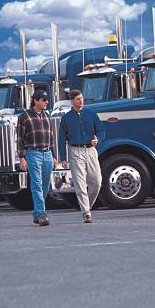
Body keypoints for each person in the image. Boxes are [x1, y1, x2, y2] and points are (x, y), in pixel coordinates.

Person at [58, 89, 104, 223]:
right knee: (80, 184)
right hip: (75, 151)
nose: (81, 101)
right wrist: (63, 158)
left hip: (91, 150)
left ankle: (87, 206)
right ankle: (86, 213)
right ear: (72, 101)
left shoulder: (91, 114)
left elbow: (101, 130)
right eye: (78, 99)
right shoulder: (66, 118)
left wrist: (98, 139)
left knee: (97, 182)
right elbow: (61, 140)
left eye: (82, 98)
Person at [17, 90, 57, 226]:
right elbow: (20, 139)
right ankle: (41, 215)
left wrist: (54, 155)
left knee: (46, 185)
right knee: (37, 184)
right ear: (36, 101)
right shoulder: (24, 117)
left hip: (47, 154)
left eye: (47, 100)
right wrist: (22, 157)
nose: (47, 102)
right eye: (44, 100)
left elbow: (51, 137)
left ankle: (37, 212)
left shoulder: (47, 116)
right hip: (33, 153)